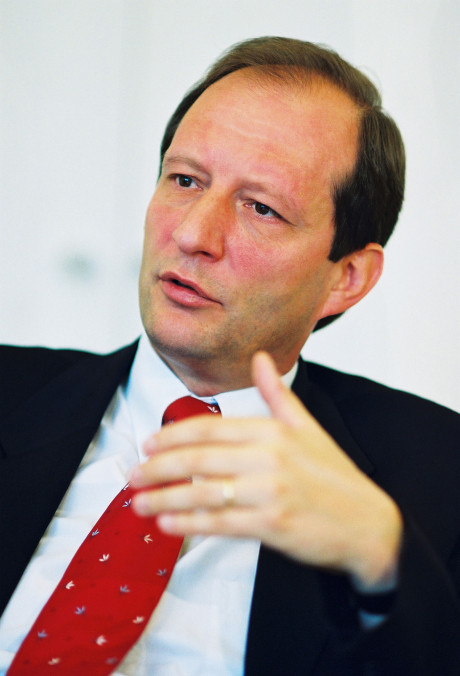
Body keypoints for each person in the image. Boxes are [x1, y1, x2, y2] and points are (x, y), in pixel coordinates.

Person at [0, 36, 459, 675]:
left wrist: (381, 558)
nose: (193, 234)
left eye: (262, 209)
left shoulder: (437, 478)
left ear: (346, 277)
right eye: (185, 180)